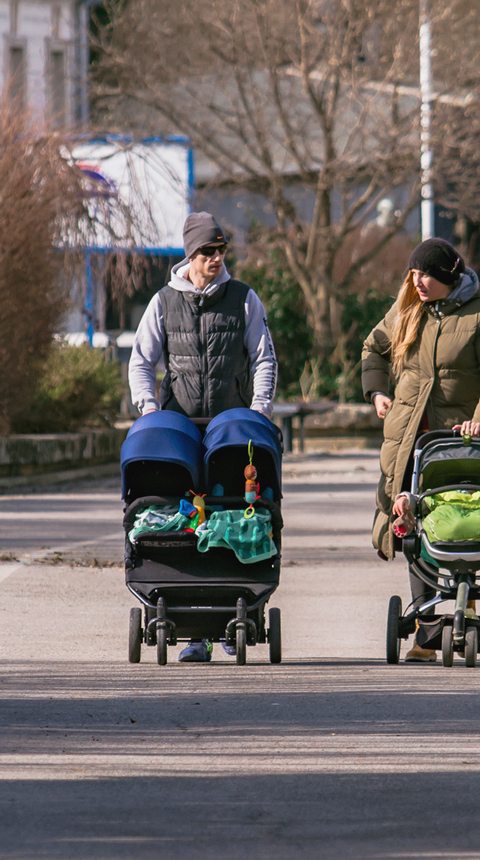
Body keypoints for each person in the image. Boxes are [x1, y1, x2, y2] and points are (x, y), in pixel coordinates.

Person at [127, 211, 278, 664]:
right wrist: (149, 410)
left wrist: (258, 412)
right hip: (179, 433)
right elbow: (141, 360)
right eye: (207, 252)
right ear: (190, 255)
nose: (216, 258)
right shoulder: (162, 302)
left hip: (232, 433)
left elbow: (263, 358)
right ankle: (195, 631)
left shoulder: (244, 299)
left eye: (221, 250)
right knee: (191, 527)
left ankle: (235, 623)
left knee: (237, 520)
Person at [362, 238, 480, 662]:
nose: (418, 281)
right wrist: (376, 392)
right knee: (410, 524)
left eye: (426, 274)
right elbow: (373, 347)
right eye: (414, 273)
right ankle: (424, 629)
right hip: (409, 439)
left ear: (450, 278)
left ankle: (465, 606)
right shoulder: (408, 309)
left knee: (459, 519)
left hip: (456, 442)